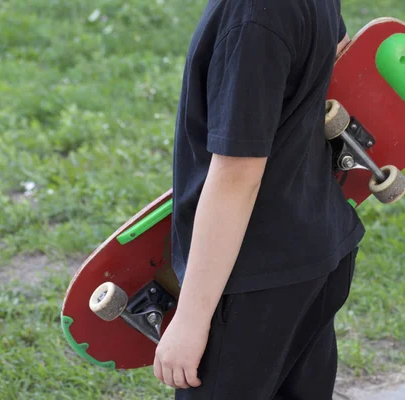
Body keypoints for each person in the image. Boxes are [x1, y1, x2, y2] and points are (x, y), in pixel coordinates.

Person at [154, 0, 365, 398]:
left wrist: (191, 321)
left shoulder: (252, 16)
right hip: (316, 252)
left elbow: (238, 175)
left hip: (253, 283)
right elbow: (340, 46)